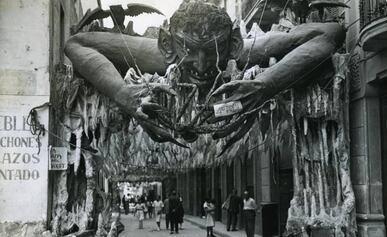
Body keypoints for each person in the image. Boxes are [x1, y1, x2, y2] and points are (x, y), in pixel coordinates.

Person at [64, 0, 346, 146]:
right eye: (190, 50)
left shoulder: (244, 51)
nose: (201, 64)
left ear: (232, 44)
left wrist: (265, 85)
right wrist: (126, 95)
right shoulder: (158, 54)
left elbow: (330, 33)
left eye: (212, 52)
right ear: (169, 44)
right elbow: (76, 44)